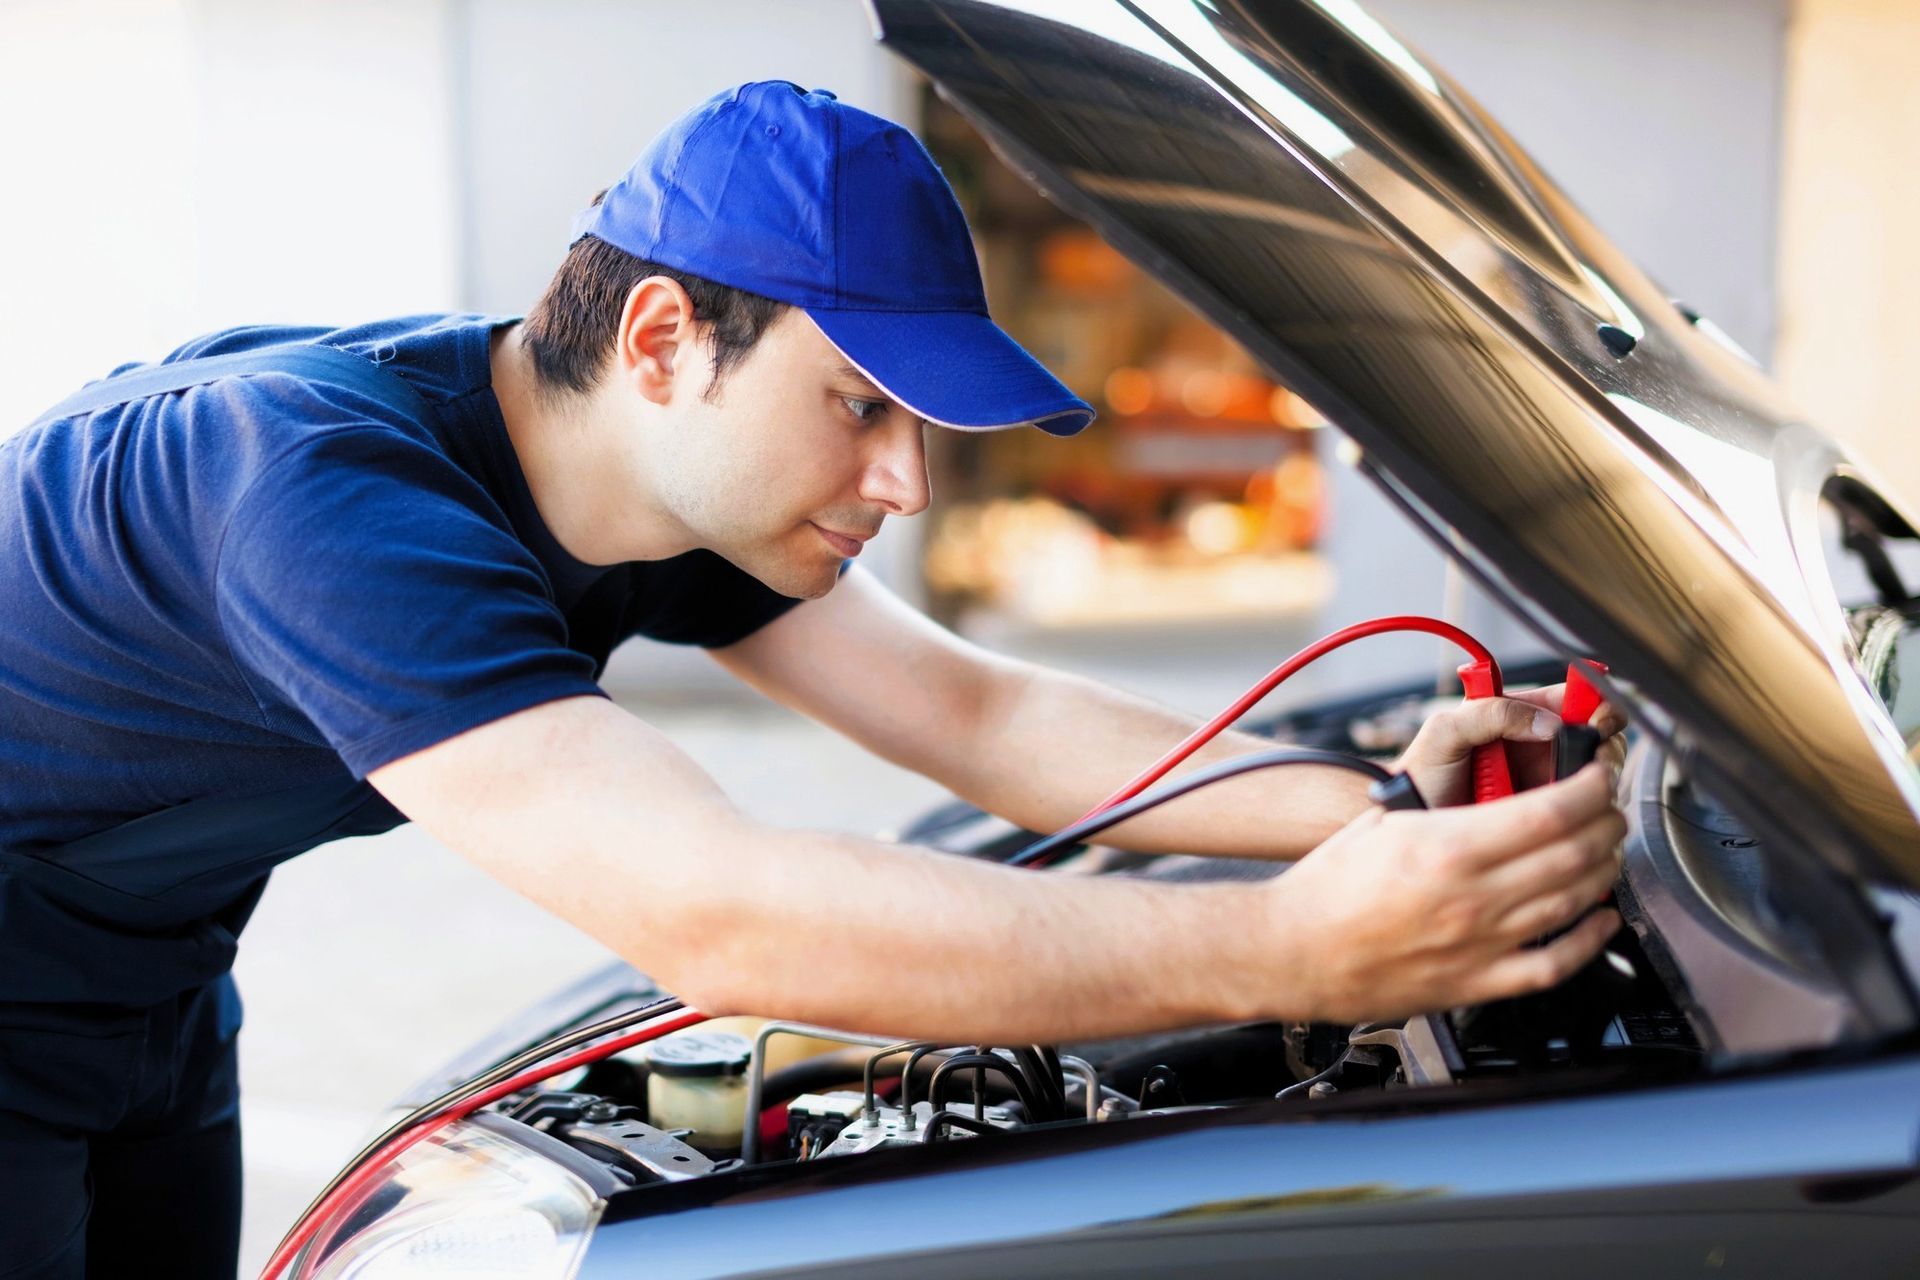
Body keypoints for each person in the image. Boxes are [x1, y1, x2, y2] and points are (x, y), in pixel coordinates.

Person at [0, 82, 1624, 1277]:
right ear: (661, 341)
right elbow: (723, 914)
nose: (905, 483)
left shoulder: (634, 471)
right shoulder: (321, 497)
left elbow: (986, 715)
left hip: (146, 995)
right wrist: (1291, 949)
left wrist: (1378, 809)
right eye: (859, 405)